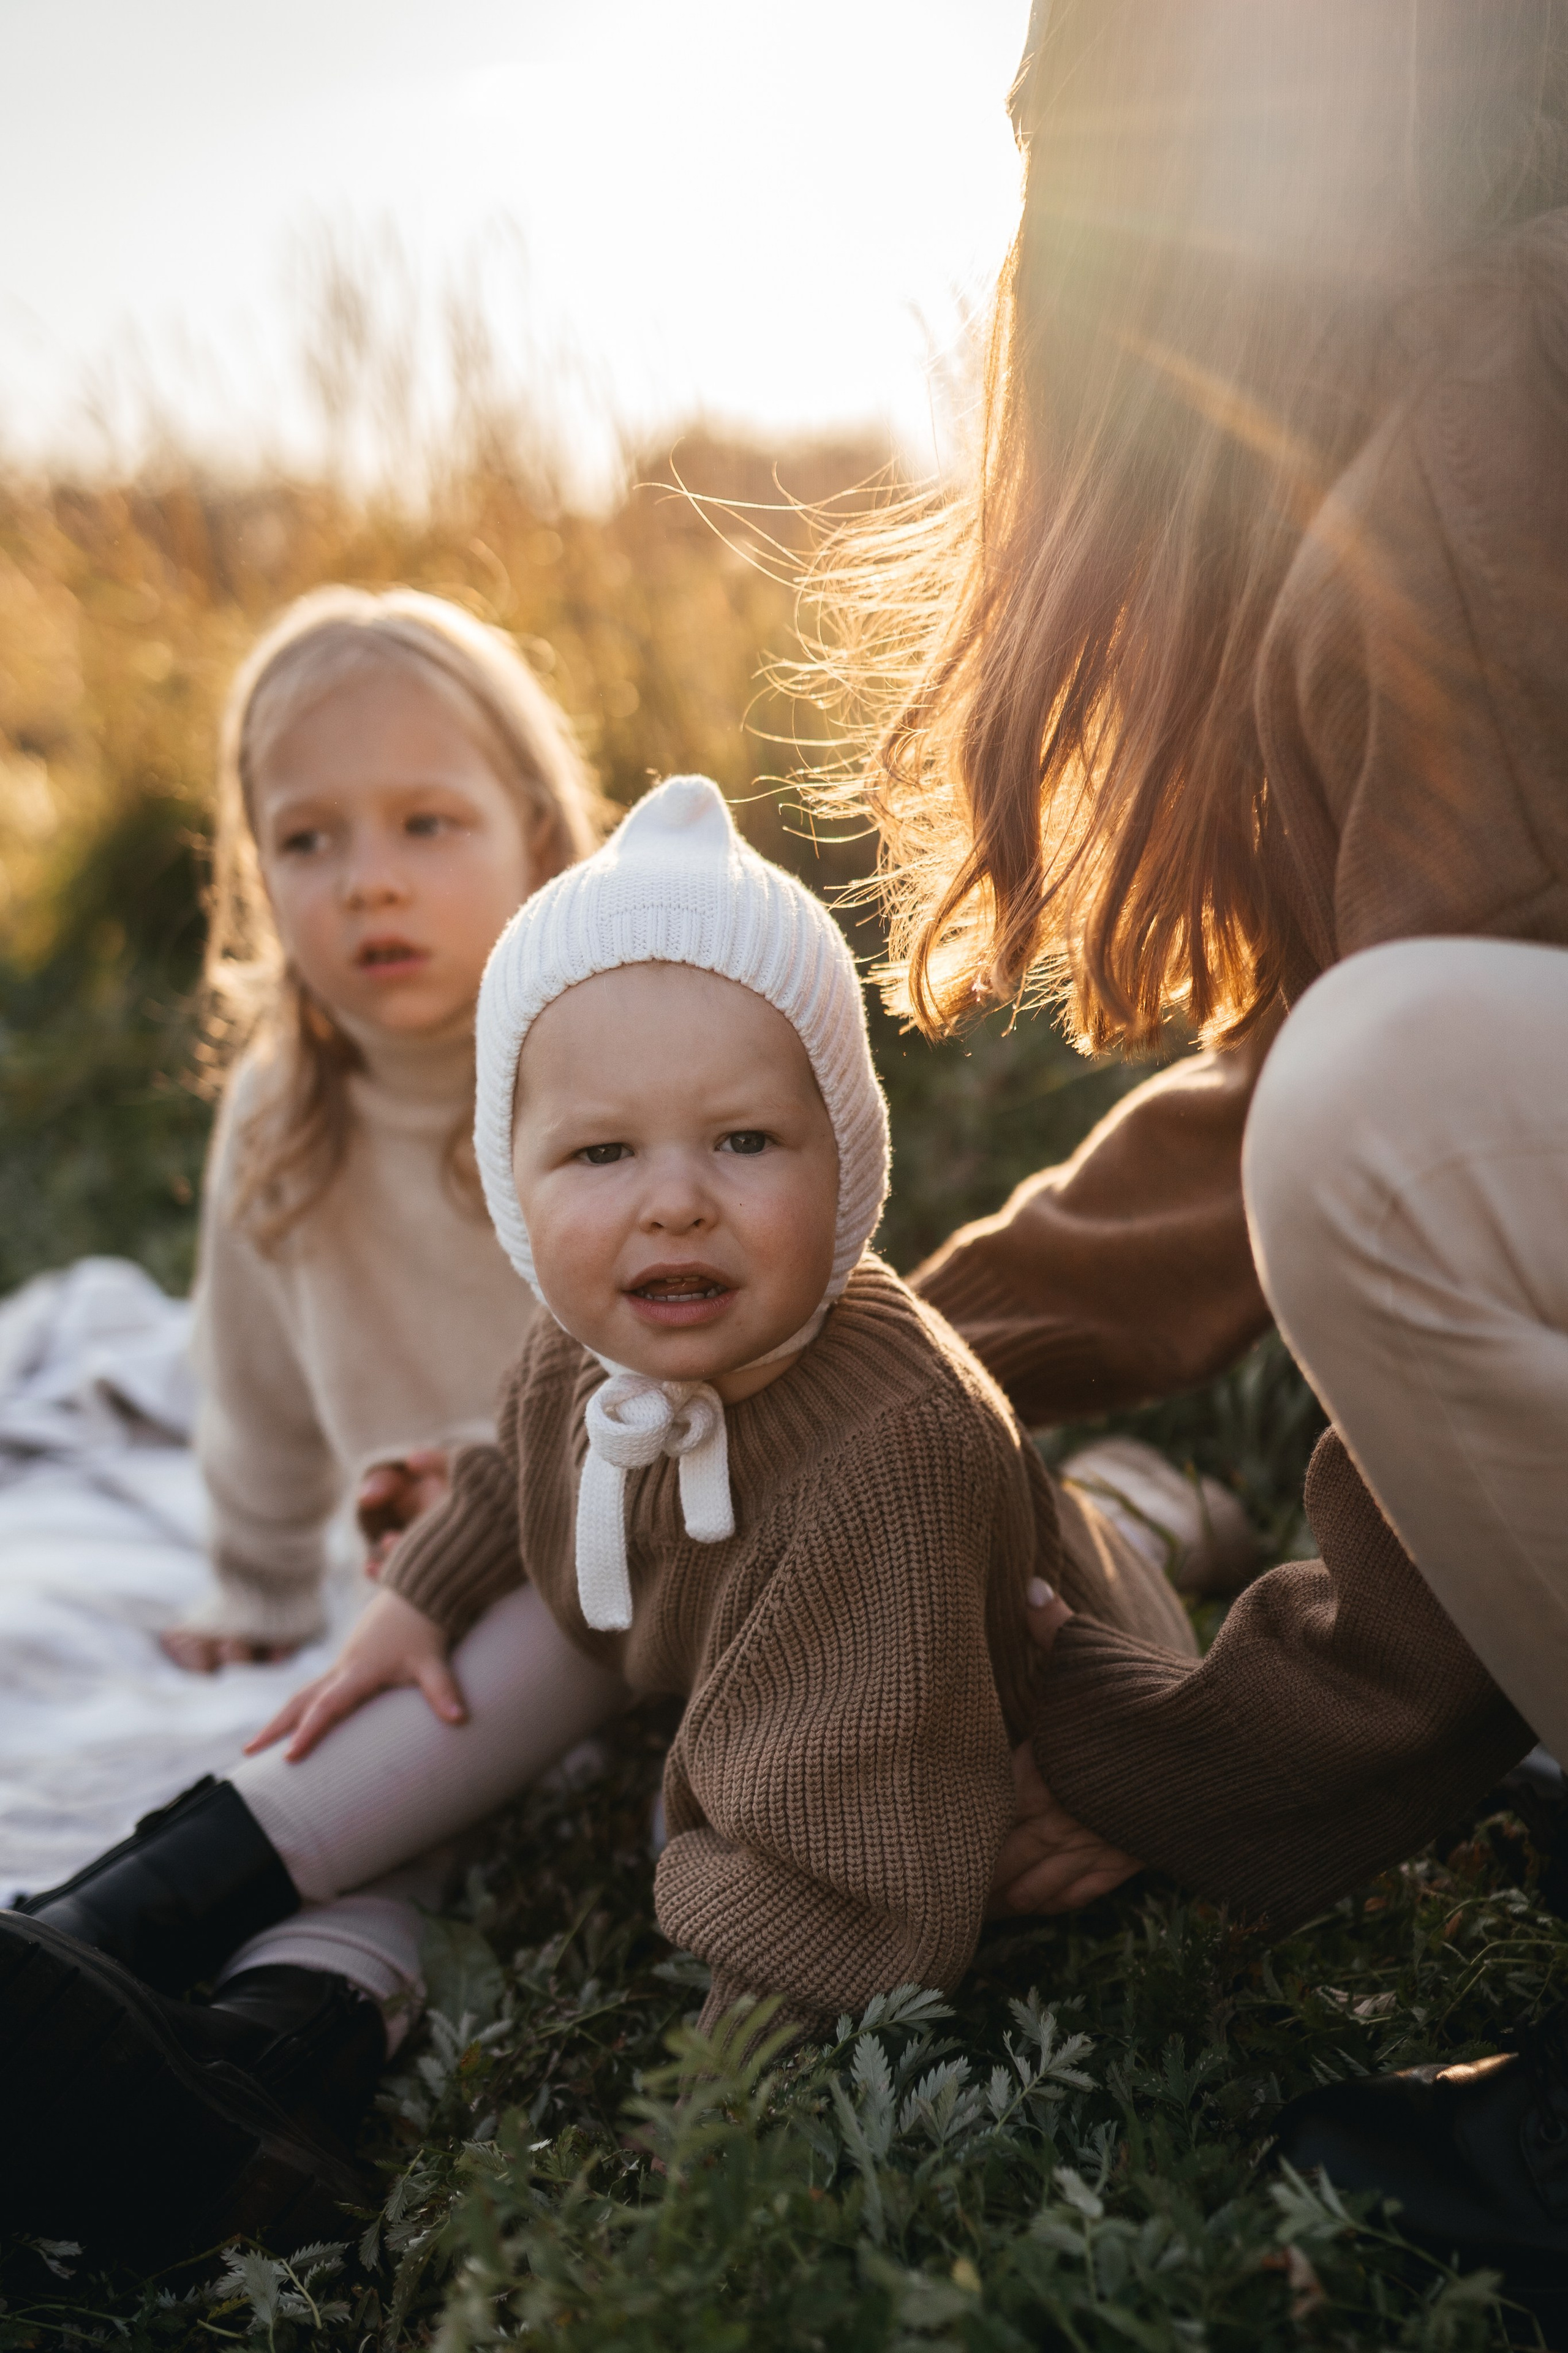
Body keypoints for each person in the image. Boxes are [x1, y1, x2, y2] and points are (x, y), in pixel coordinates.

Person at [0, 777, 1194, 2256]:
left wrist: (731, 2074)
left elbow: (853, 1812)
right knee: (528, 1612)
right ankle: (112, 1923)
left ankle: (1150, 1502)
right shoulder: (599, 1332)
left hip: (1000, 1694)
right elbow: (516, 1470)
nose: (673, 1203)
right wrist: (414, 1598)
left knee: (1096, 1540)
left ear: (852, 1159)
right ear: (518, 1176)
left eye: (746, 1142)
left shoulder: (890, 1455)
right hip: (730, 1619)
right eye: (600, 1153)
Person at [816, 0, 1568, 2295]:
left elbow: (1408, 1107)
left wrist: (1203, 1755)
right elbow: (1348, 1046)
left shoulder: (1507, 377)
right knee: (1380, 1084)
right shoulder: (1456, 314)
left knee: (1392, 1110)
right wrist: (898, 1363)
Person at [163, 584, 603, 1666]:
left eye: (427, 824)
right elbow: (254, 1386)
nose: (370, 883)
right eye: (309, 840)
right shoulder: (280, 1112)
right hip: (416, 1584)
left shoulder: (606, 1070)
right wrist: (259, 1589)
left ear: (535, 838)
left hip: (630, 1538)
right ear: (260, 877)